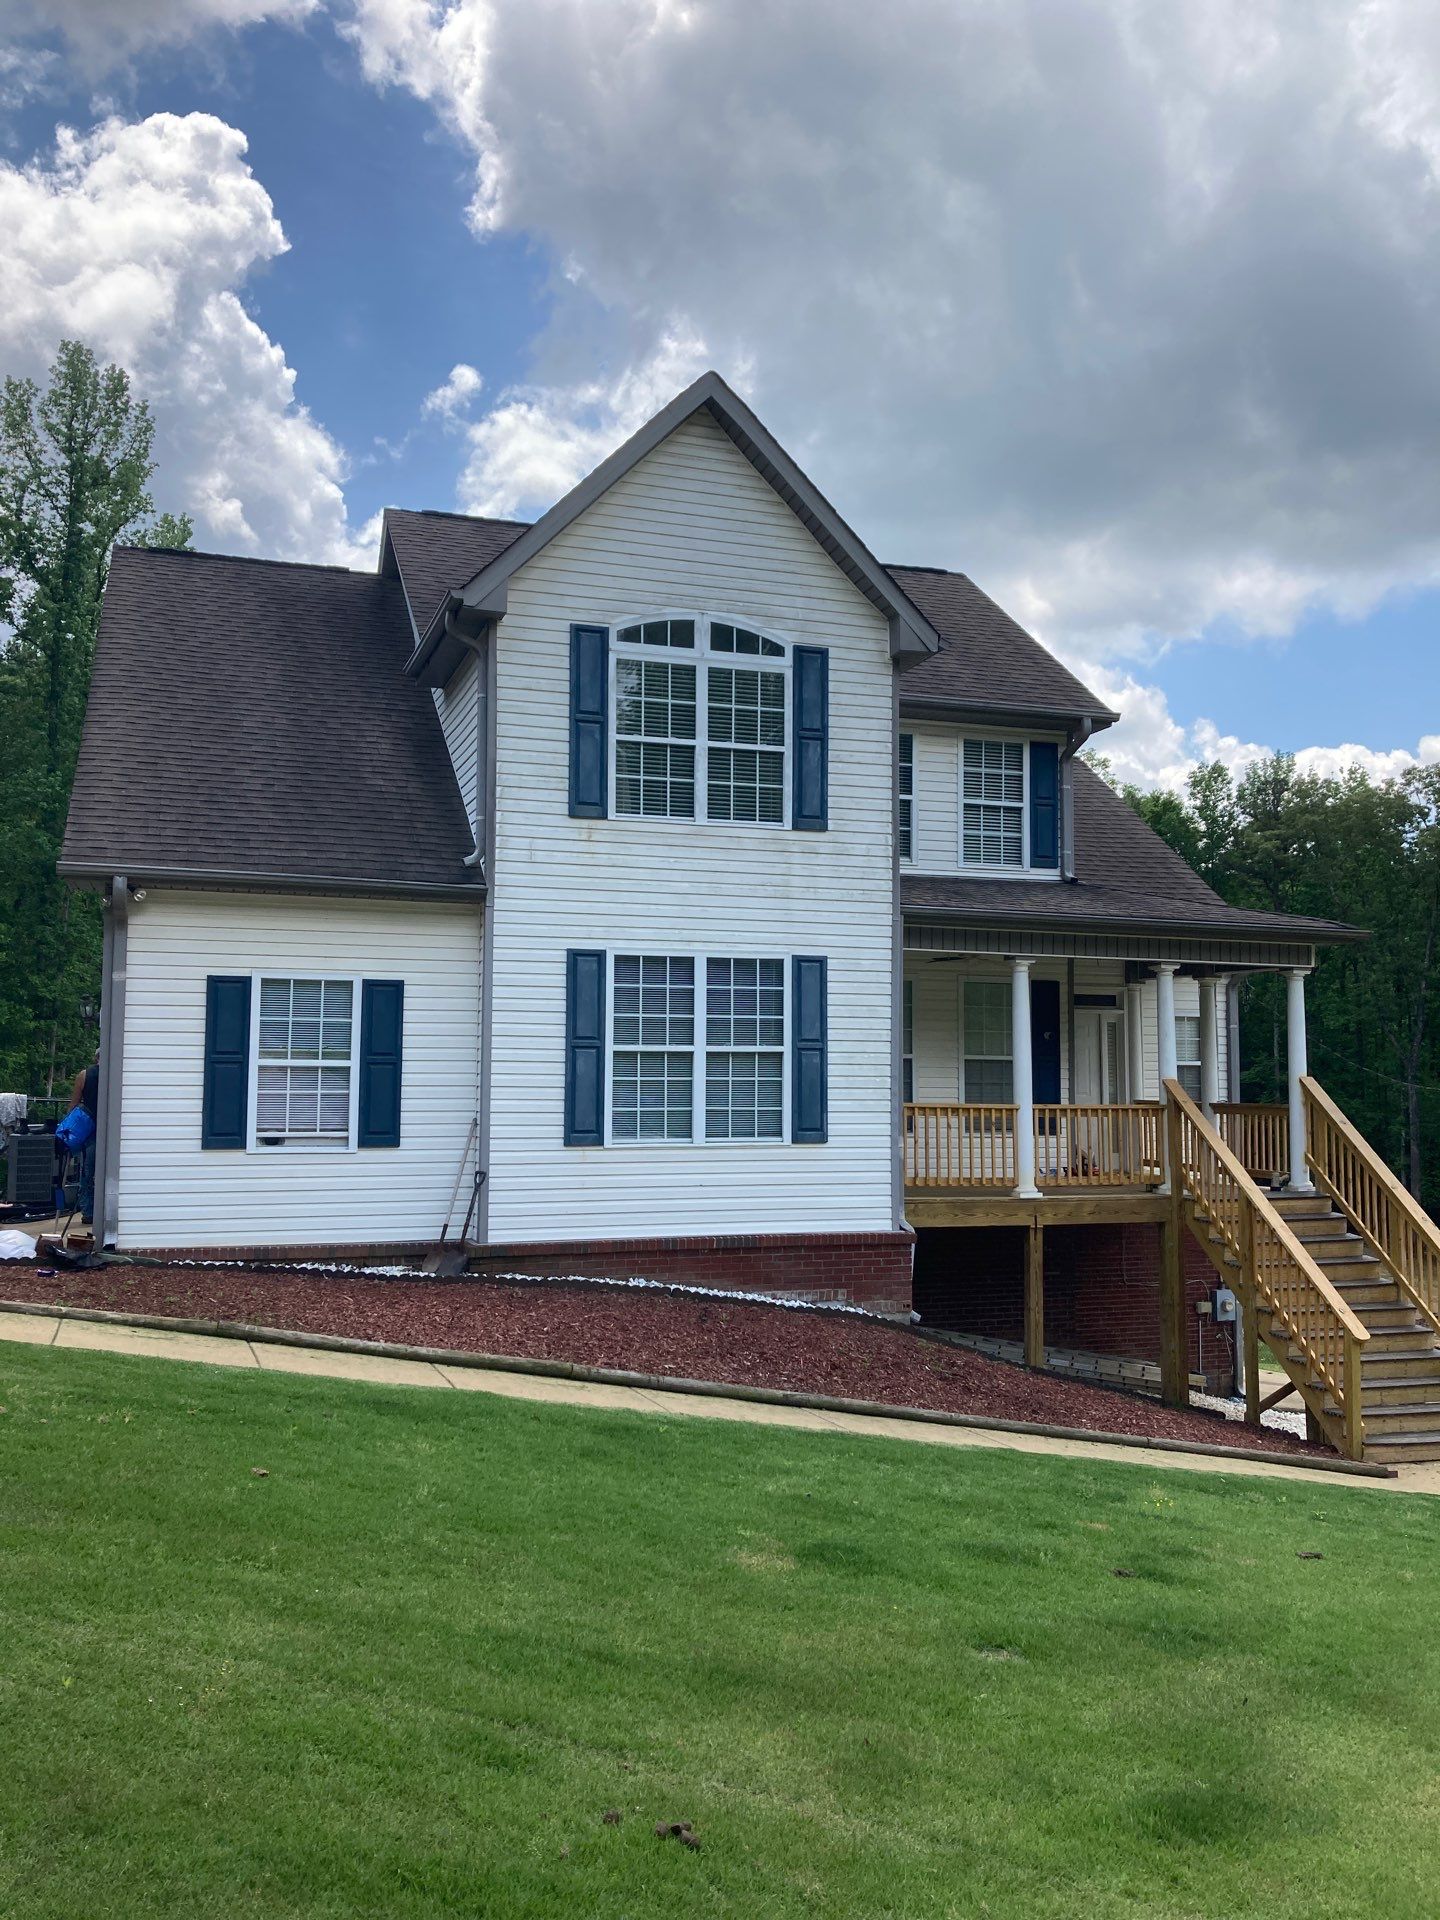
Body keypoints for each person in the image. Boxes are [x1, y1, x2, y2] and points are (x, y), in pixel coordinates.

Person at [69, 1049, 99, 1224]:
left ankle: (88, 1212)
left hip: (90, 1128)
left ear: (96, 1057)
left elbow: (74, 1104)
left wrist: (66, 1127)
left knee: (87, 1171)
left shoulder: (84, 1075)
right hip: (113, 1128)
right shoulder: (118, 1073)